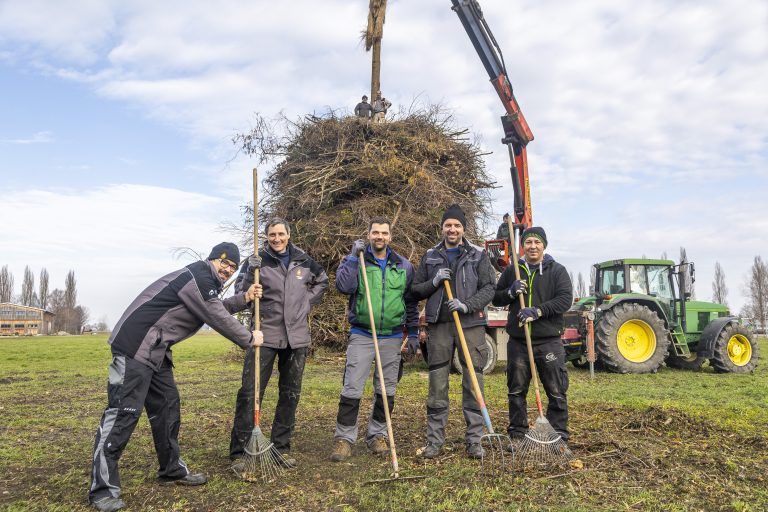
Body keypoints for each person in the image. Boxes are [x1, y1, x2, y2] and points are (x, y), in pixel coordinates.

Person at [88, 242, 262, 512]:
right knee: (123, 415)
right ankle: (102, 490)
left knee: (168, 407)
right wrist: (249, 337)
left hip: (156, 351)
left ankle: (171, 470)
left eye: (232, 266)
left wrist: (245, 299)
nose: (227, 269)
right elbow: (214, 313)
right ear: (211, 260)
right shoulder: (199, 275)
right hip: (135, 347)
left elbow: (213, 307)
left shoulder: (205, 283)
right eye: (223, 263)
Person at [230, 218, 328, 467]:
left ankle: (280, 447)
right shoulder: (256, 262)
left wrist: (305, 301)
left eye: (281, 234)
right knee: (250, 392)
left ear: (288, 234)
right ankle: (240, 452)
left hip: (296, 338)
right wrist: (249, 282)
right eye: (272, 234)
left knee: (290, 393)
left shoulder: (304, 261)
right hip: (265, 334)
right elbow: (240, 294)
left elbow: (322, 280)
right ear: (266, 236)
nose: (277, 239)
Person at [329, 217, 419, 462]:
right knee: (352, 388)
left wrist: (412, 333)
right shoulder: (357, 260)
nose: (379, 236)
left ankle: (377, 435)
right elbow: (344, 287)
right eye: (375, 233)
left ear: (390, 236)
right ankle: (344, 439)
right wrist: (351, 257)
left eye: (384, 233)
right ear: (368, 235)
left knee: (386, 391)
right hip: (362, 334)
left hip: (391, 336)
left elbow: (410, 303)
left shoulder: (403, 266)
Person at [410, 204, 496, 459]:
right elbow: (415, 290)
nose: (452, 229)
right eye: (448, 225)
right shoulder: (430, 256)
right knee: (438, 385)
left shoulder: (478, 255)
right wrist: (434, 281)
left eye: (457, 225)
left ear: (463, 229)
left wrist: (467, 305)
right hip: (439, 325)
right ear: (442, 228)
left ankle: (475, 441)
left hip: (470, 325)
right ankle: (435, 441)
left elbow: (489, 287)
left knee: (473, 382)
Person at [491, 226, 573, 447]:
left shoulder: (557, 271)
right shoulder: (513, 270)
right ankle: (517, 434)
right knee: (516, 390)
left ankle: (558, 436)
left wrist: (537, 311)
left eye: (537, 242)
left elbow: (565, 300)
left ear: (544, 245)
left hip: (548, 341)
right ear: (523, 246)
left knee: (556, 390)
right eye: (528, 242)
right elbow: (496, 298)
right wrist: (510, 291)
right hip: (518, 341)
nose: (533, 246)